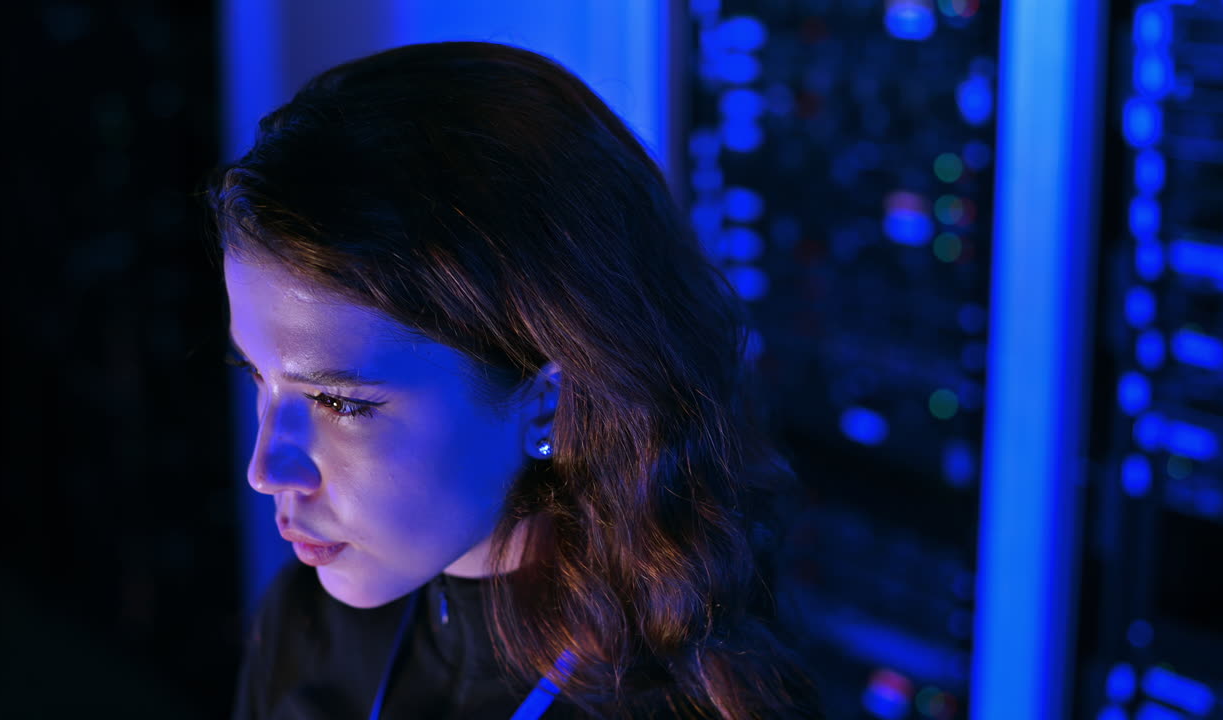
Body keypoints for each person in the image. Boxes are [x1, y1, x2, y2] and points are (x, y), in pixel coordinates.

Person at [209, 41, 823, 720]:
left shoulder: (686, 706)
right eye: (258, 377)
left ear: (548, 404)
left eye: (338, 401)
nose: (265, 468)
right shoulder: (303, 624)